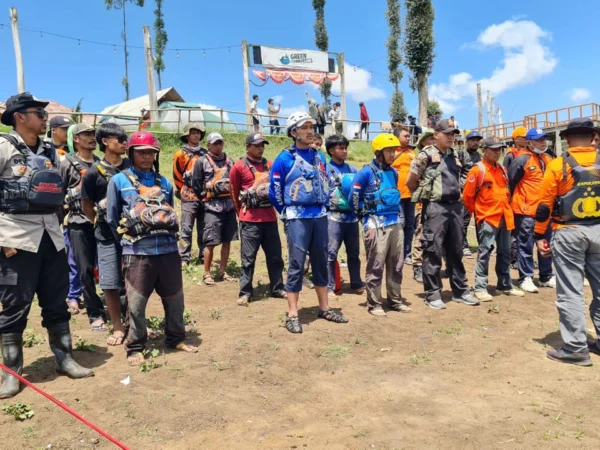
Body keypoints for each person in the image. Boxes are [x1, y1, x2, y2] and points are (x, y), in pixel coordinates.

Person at [0, 92, 93, 398]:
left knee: (56, 302)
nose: (44, 118)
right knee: (15, 307)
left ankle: (65, 358)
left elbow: (61, 190)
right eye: (38, 113)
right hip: (15, 239)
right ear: (19, 117)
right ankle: (12, 373)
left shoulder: (52, 151)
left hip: (51, 239)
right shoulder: (2, 148)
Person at [106, 131, 197, 365]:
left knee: (175, 298)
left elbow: (169, 214)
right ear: (131, 153)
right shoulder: (118, 181)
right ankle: (135, 347)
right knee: (136, 303)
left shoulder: (165, 182)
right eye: (141, 152)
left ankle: (175, 338)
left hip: (167, 251)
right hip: (137, 253)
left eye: (151, 153)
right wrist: (127, 245)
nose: (146, 156)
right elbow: (112, 218)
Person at [269, 112, 348, 333]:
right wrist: (285, 211)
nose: (310, 130)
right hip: (297, 217)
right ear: (294, 132)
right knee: (296, 263)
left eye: (311, 126)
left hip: (320, 216)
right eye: (304, 127)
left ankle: (324, 308)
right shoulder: (284, 159)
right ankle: (292, 314)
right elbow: (274, 190)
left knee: (321, 261)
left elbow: (330, 182)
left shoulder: (319, 157)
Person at [534, 118, 600, 366]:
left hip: (569, 231)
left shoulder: (558, 166)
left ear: (568, 139)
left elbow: (543, 207)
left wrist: (540, 236)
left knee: (571, 291)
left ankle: (575, 348)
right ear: (593, 137)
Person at [406, 119, 479, 310]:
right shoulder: (425, 155)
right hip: (435, 208)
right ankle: (433, 293)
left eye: (453, 134)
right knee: (432, 250)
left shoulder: (455, 154)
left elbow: (463, 174)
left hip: (455, 208)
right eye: (447, 133)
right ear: (436, 134)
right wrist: (427, 196)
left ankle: (460, 291)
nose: (451, 137)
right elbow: (411, 181)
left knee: (456, 250)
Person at [80, 122, 130, 346]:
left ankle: (136, 323)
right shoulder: (92, 174)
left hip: (133, 235)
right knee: (110, 282)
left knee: (135, 280)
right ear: (105, 142)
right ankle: (118, 326)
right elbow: (87, 206)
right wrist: (104, 223)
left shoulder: (132, 167)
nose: (124, 144)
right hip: (106, 236)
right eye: (119, 140)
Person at [351, 134, 407, 316]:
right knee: (376, 264)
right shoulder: (366, 172)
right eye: (389, 151)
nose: (393, 154)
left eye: (394, 150)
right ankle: (374, 303)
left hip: (395, 223)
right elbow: (354, 196)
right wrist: (364, 218)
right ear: (378, 152)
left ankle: (395, 300)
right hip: (374, 224)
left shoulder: (394, 172)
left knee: (397, 264)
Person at [462, 138, 524, 302]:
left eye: (499, 149)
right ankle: (480, 287)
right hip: (488, 217)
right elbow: (467, 197)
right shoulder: (478, 170)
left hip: (505, 216)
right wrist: (480, 214)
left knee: (504, 252)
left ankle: (504, 284)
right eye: (494, 149)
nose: (497, 152)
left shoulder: (502, 169)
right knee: (484, 252)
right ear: (484, 150)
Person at [59, 124, 106, 331]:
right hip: (78, 223)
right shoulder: (67, 163)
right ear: (75, 139)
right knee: (85, 270)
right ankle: (95, 314)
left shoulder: (101, 163)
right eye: (86, 134)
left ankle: (116, 307)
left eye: (93, 134)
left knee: (106, 268)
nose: (91, 138)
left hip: (101, 223)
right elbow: (58, 194)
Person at [229, 133, 286, 305]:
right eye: (256, 145)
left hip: (269, 219)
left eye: (262, 145)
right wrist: (241, 214)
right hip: (250, 220)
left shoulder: (270, 165)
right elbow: (233, 193)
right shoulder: (238, 167)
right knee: (248, 258)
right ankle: (245, 292)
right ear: (247, 147)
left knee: (275, 257)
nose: (260, 148)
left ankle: (277, 288)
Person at [508, 127, 555, 293]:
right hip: (526, 211)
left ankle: (546, 276)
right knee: (525, 245)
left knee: (546, 244)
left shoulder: (548, 159)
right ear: (529, 142)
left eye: (544, 139)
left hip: (545, 212)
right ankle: (525, 277)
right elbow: (511, 183)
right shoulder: (521, 160)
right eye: (539, 140)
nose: (543, 143)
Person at [192, 132, 238, 286]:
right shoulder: (201, 161)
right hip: (212, 208)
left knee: (227, 241)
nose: (218, 146)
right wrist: (206, 198)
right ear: (208, 145)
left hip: (229, 207)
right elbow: (196, 184)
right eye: (215, 143)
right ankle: (206, 274)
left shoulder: (229, 161)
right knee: (210, 242)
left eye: (220, 143)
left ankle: (222, 271)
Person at [325, 134, 365, 300]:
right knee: (330, 253)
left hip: (351, 218)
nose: (344, 151)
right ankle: (330, 286)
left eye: (345, 147)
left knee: (354, 253)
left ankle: (356, 282)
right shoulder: (325, 170)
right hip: (333, 217)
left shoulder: (352, 170)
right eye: (340, 148)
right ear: (331, 150)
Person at [172, 123, 207, 266]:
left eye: (198, 133)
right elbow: (176, 175)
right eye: (193, 133)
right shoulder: (180, 153)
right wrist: (183, 191)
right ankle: (184, 257)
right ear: (187, 135)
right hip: (188, 194)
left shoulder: (206, 153)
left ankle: (204, 256)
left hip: (204, 195)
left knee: (204, 227)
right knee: (186, 227)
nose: (196, 135)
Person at [411, 129, 435, 283]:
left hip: (437, 205)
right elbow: (412, 181)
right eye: (430, 139)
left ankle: (431, 265)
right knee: (421, 233)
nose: (433, 142)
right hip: (422, 202)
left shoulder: (441, 158)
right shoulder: (421, 158)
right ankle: (417, 266)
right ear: (423, 143)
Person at [391, 126, 417, 264]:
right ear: (396, 137)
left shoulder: (412, 153)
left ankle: (407, 253)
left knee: (410, 225)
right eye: (405, 136)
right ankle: (397, 253)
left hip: (411, 195)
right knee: (400, 223)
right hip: (396, 196)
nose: (408, 138)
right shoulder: (390, 153)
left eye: (409, 136)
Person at [460, 130, 483, 258]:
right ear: (467, 142)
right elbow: (457, 173)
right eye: (473, 140)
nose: (475, 142)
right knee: (464, 221)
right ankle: (463, 246)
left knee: (480, 220)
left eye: (477, 140)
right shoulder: (461, 155)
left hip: (478, 194)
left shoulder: (480, 157)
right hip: (465, 194)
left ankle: (483, 246)